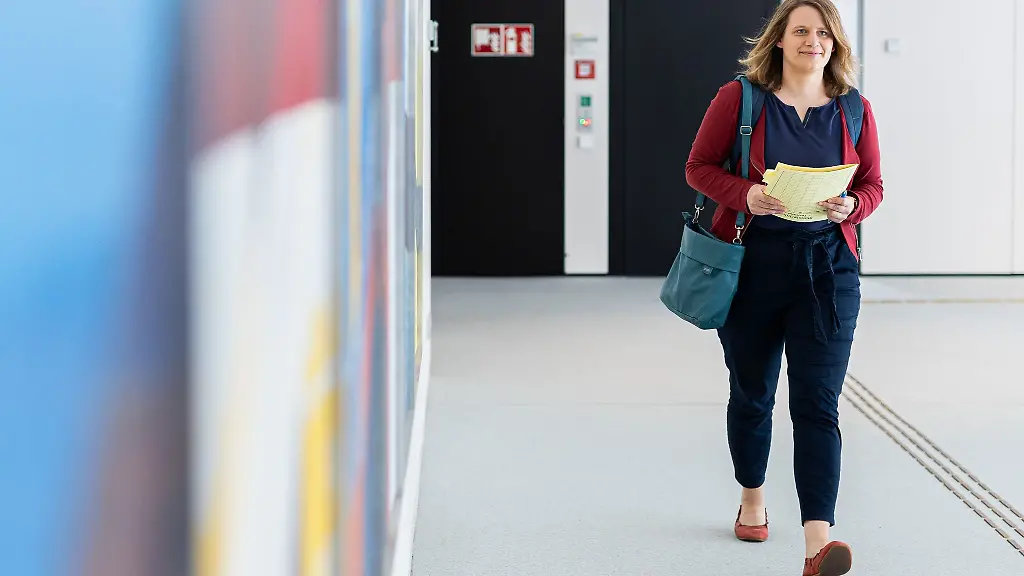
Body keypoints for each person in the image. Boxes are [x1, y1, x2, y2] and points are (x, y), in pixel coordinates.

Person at [684, 1, 883, 575]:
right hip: (753, 266)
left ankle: (817, 543)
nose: (812, 41)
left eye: (823, 33)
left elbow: (872, 184)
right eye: (801, 30)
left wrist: (852, 205)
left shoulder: (854, 111)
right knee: (753, 393)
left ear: (835, 44)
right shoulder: (739, 99)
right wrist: (744, 194)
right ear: (779, 39)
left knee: (817, 404)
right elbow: (698, 167)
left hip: (829, 270)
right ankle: (752, 496)